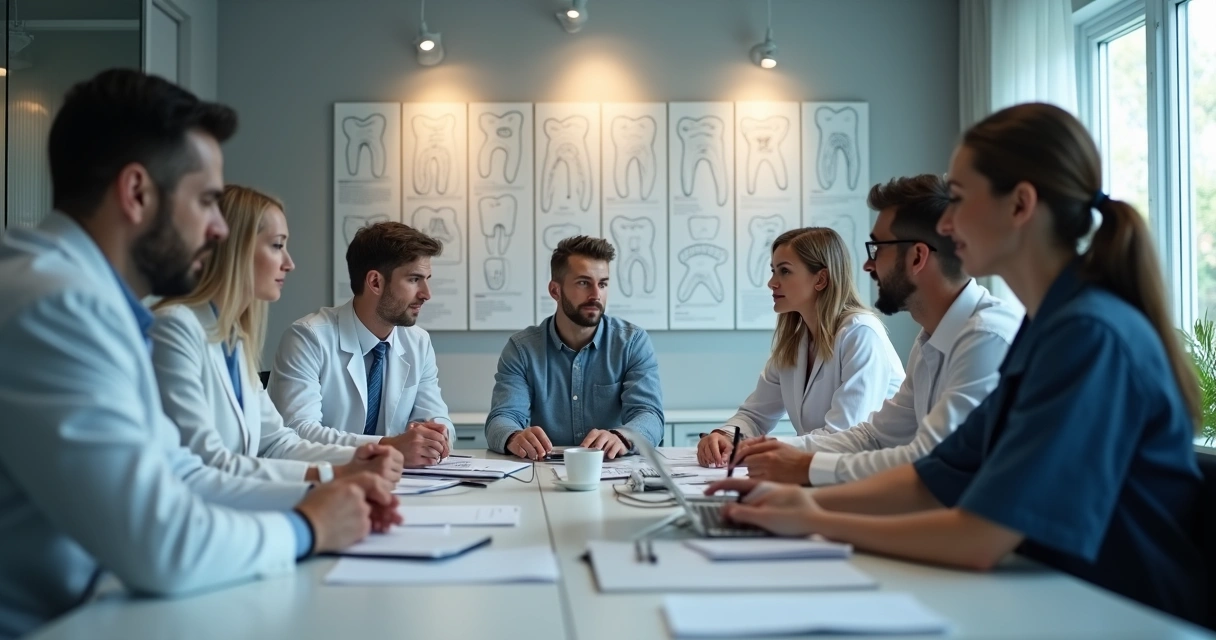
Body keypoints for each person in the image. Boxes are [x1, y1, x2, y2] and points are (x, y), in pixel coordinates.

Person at [708, 103, 1207, 624]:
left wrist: (814, 514)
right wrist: (797, 502)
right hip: (1058, 597)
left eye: (961, 199)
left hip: (1117, 613)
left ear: (1020, 205)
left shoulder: (1086, 336)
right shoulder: (1047, 329)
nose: (946, 222)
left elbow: (979, 536)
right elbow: (936, 473)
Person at [0, 69, 399, 639]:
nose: (218, 230)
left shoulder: (89, 301)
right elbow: (159, 540)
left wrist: (326, 492)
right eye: (207, 201)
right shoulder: (56, 307)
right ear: (137, 193)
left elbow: (181, 472)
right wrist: (308, 526)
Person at [731, 175, 1022, 485]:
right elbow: (875, 437)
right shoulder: (929, 341)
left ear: (917, 257)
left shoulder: (987, 337)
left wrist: (803, 469)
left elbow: (932, 461)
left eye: (877, 249)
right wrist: (774, 452)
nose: (868, 267)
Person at [151, 184, 404, 484]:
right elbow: (207, 462)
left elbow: (277, 443)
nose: (289, 263)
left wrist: (372, 453)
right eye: (276, 245)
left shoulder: (235, 339)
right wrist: (333, 474)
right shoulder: (175, 328)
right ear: (235, 249)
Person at [697, 227, 904, 467]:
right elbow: (754, 415)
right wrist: (723, 436)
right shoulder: (796, 341)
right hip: (823, 473)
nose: (771, 283)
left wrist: (755, 449)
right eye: (773, 271)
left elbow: (843, 438)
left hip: (873, 478)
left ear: (821, 279)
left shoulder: (861, 333)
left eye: (784, 271)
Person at [270, 221, 454, 468]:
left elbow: (437, 416)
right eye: (414, 279)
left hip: (400, 486)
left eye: (427, 279)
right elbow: (297, 432)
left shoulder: (418, 342)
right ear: (375, 282)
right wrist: (389, 446)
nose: (426, 293)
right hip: (322, 486)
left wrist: (436, 435)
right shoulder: (308, 337)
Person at [486, 235, 664, 460]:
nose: (596, 295)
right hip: (544, 473)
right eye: (583, 282)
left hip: (614, 469)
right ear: (555, 291)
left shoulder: (632, 343)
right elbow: (502, 417)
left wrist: (621, 436)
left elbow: (649, 415)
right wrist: (513, 437)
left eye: (603, 283)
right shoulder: (522, 349)